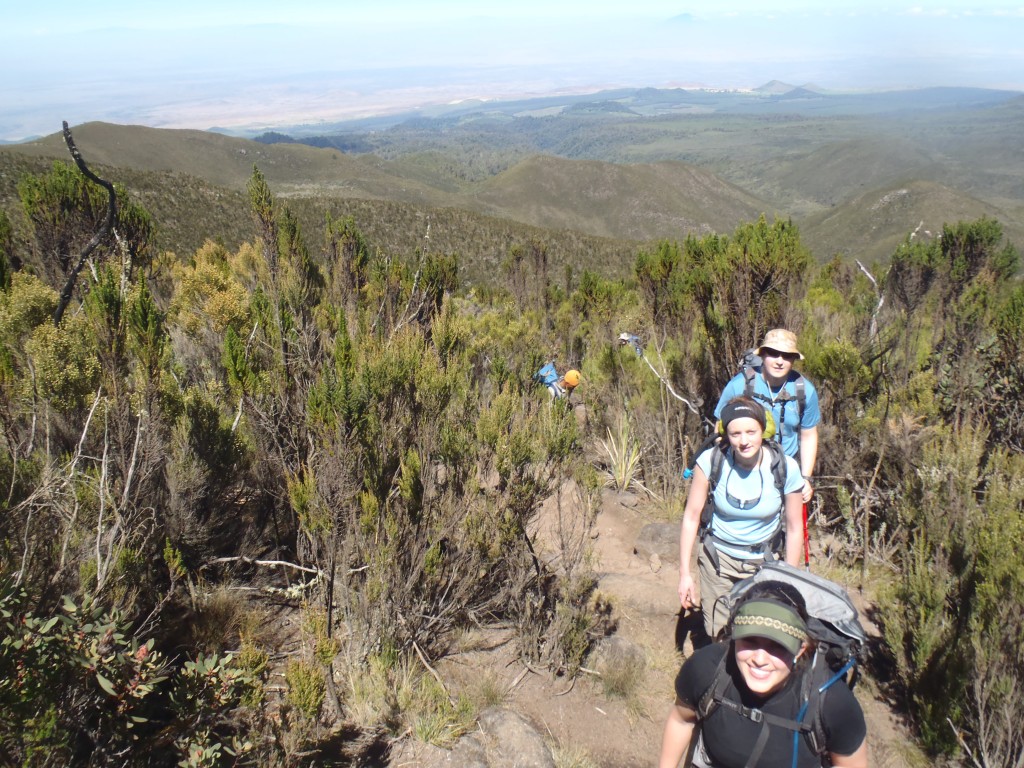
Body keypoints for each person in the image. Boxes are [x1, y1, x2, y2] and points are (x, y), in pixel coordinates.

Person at [659, 580, 868, 768]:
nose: (759, 659)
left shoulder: (832, 703)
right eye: (750, 641)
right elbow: (681, 719)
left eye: (777, 646)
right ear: (734, 638)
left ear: (800, 649)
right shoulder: (707, 668)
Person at [678, 397, 804, 638]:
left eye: (751, 431)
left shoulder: (785, 468)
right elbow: (691, 517)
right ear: (726, 434)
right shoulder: (711, 462)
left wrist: (789, 579)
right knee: (720, 634)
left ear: (763, 430)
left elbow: (795, 527)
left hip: (764, 565)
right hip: (717, 563)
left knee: (757, 636)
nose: (744, 441)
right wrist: (685, 574)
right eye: (735, 434)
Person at [714, 329, 820, 503]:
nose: (779, 361)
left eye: (786, 356)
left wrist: (806, 478)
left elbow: (808, 435)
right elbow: (721, 430)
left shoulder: (805, 391)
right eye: (773, 353)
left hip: (785, 471)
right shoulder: (739, 385)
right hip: (741, 468)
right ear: (762, 354)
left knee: (789, 527)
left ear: (793, 359)